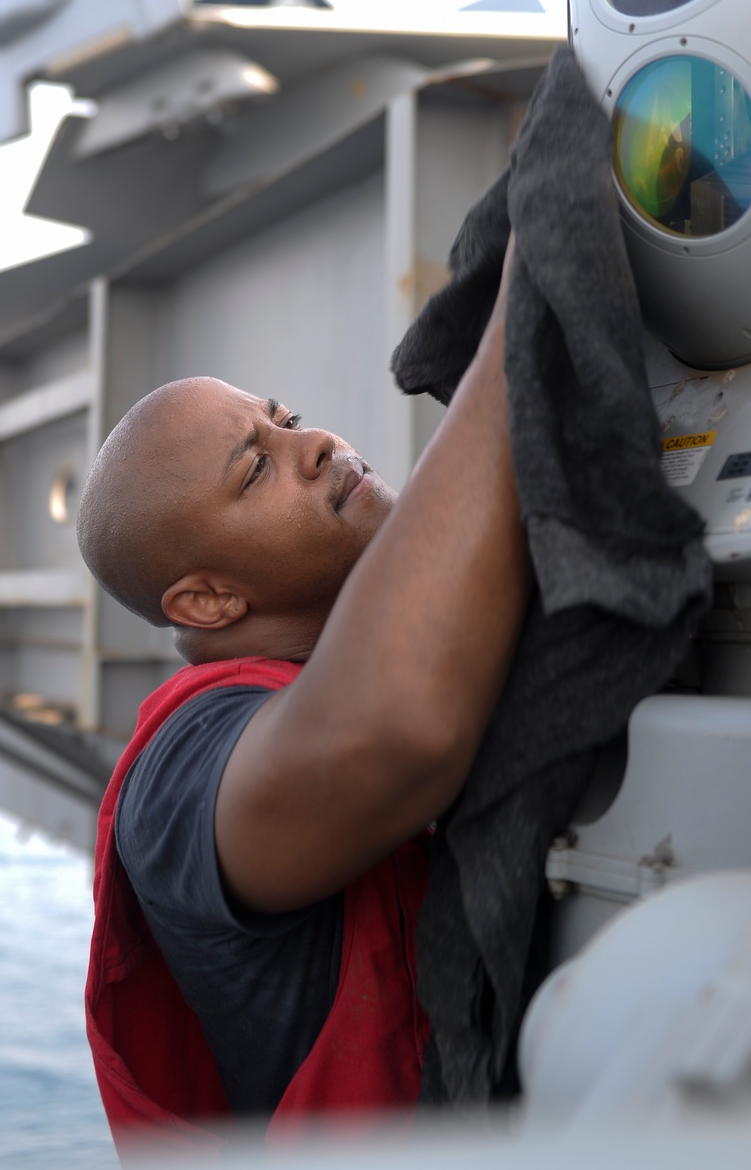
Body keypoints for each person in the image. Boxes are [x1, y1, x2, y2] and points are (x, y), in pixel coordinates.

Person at [79, 237, 531, 1145]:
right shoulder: (179, 775)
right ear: (206, 600)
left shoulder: (374, 648)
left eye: (286, 419)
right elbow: (395, 734)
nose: (317, 446)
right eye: (256, 468)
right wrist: (525, 315)